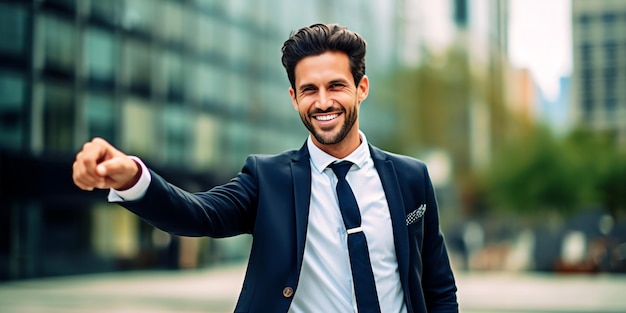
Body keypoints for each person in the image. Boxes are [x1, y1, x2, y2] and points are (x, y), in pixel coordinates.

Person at [73, 23, 458, 313]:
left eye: (336, 86)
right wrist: (135, 179)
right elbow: (198, 215)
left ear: (362, 88)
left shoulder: (411, 178)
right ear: (294, 98)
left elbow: (438, 285)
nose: (323, 102)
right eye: (309, 90)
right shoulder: (267, 178)